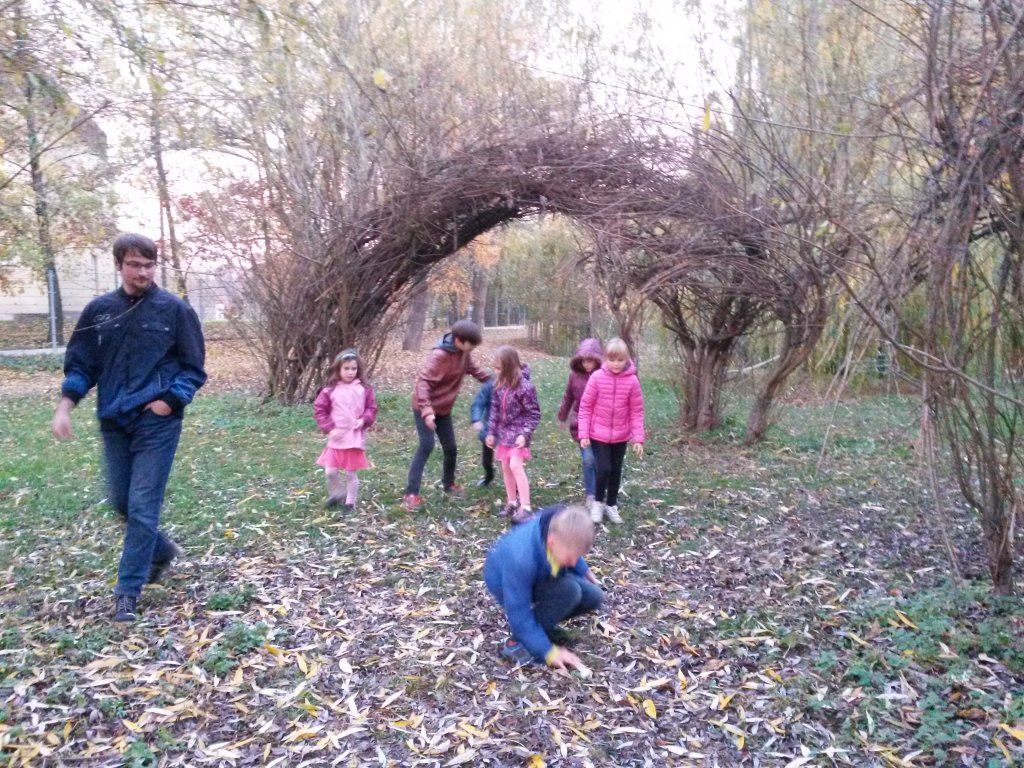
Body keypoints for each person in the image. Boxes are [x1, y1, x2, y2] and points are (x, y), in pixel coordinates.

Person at [51, 233, 207, 622]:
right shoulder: (99, 311)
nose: (143, 272)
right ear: (118, 265)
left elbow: (193, 368)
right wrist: (66, 405)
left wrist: (169, 401)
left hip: (157, 423)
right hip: (114, 420)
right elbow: (81, 365)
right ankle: (162, 551)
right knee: (121, 501)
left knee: (142, 505)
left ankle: (127, 592)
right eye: (135, 264)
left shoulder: (175, 310)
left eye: (149, 265)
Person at [484, 503, 602, 670]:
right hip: (505, 579)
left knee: (594, 596)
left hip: (540, 568)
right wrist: (549, 652)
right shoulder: (521, 559)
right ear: (552, 543)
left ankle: (540, 628)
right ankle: (516, 643)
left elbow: (572, 546)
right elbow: (519, 613)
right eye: (571, 558)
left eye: (578, 557)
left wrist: (584, 570)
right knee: (569, 592)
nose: (573, 563)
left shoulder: (559, 528)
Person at [404, 319, 490, 511]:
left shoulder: (463, 353)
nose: (472, 349)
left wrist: (496, 382)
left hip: (443, 409)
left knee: (451, 448)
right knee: (426, 446)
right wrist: (427, 411)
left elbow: (475, 371)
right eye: (470, 345)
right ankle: (411, 493)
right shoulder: (439, 355)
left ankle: (448, 484)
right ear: (458, 340)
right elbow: (423, 383)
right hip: (425, 408)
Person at [577, 338, 645, 525]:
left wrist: (638, 438)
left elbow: (636, 411)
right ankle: (598, 502)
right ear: (605, 359)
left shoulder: (632, 381)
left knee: (615, 470)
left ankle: (611, 504)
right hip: (599, 433)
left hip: (621, 435)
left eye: (620, 360)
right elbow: (585, 407)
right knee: (604, 468)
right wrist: (583, 434)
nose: (616, 364)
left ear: (627, 359)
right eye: (612, 359)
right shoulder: (597, 378)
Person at [313, 349, 377, 510]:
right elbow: (320, 410)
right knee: (330, 472)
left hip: (353, 437)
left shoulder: (364, 389)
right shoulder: (330, 390)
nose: (350, 372)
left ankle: (350, 502)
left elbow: (371, 408)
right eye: (346, 368)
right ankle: (337, 493)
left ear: (358, 369)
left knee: (350, 473)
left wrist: (364, 420)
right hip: (336, 437)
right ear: (338, 369)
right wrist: (329, 428)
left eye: (353, 369)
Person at [485, 346, 541, 524]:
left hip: (519, 434)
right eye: (495, 367)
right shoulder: (498, 385)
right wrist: (491, 432)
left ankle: (526, 507)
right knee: (506, 466)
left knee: (516, 465)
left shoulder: (525, 387)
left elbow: (533, 414)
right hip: (504, 434)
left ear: (509, 366)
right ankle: (512, 502)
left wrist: (525, 434)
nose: (496, 371)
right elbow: (494, 410)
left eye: (499, 368)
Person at [557, 337, 603, 506]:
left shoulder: (603, 376)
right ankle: (591, 494)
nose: (586, 364)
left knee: (600, 460)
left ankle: (600, 491)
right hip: (581, 424)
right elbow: (568, 397)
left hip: (601, 424)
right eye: (583, 361)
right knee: (588, 459)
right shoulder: (574, 377)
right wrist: (562, 416)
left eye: (590, 361)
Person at [470, 377, 496, 487]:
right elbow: (478, 403)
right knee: (486, 461)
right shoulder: (490, 385)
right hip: (490, 428)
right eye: (497, 369)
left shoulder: (517, 385)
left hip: (509, 430)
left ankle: (516, 486)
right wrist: (476, 419)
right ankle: (489, 476)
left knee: (510, 461)